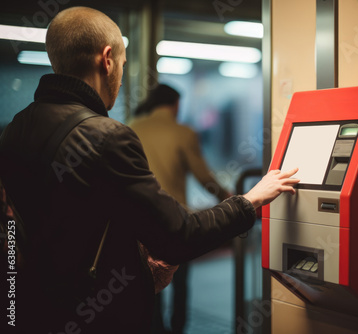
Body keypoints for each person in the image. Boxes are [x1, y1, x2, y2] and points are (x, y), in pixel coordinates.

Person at [0, 7, 299, 334]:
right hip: (101, 316)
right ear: (108, 59)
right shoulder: (108, 136)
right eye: (124, 66)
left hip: (32, 311)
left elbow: (60, 222)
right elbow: (180, 236)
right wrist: (249, 200)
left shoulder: (15, 129)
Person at [130, 84, 232, 334]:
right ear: (175, 104)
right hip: (174, 221)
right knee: (180, 282)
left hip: (138, 223)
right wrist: (229, 198)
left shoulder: (131, 128)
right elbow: (203, 177)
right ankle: (177, 329)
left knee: (147, 284)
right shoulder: (183, 133)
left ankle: (154, 328)